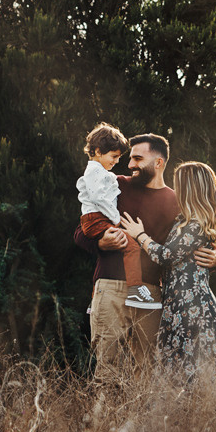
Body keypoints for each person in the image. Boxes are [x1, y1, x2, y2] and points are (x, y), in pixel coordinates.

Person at [74, 134, 216, 379]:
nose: (130, 164)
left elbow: (196, 241)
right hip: (110, 287)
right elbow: (80, 231)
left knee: (150, 373)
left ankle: (142, 420)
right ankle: (105, 419)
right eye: (130, 158)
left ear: (159, 162)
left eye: (137, 159)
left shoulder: (178, 202)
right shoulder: (114, 185)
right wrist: (101, 242)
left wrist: (214, 260)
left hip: (151, 294)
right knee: (107, 371)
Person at [121, 161, 216, 380]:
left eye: (179, 185)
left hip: (193, 311)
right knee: (178, 378)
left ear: (190, 189)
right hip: (178, 308)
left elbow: (166, 256)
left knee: (194, 378)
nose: (175, 191)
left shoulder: (196, 225)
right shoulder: (184, 222)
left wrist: (139, 235)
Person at [76, 122, 161, 309]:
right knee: (131, 247)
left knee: (130, 246)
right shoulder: (99, 175)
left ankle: (99, 300)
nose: (119, 162)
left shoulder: (103, 174)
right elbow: (83, 226)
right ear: (98, 151)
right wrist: (113, 223)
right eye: (114, 156)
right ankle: (135, 290)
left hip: (98, 220)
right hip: (98, 222)